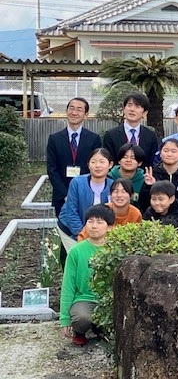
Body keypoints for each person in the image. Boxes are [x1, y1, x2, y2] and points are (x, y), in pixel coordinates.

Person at [60, 204, 115, 346]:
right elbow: (68, 285)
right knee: (82, 319)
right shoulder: (76, 251)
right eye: (90, 221)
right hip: (84, 299)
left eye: (99, 222)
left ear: (110, 227)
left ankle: (101, 329)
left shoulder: (115, 250)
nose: (94, 226)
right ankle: (80, 332)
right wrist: (64, 318)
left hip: (108, 300)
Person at [57, 148, 114, 267]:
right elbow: (71, 212)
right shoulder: (77, 183)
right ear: (88, 165)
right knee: (79, 262)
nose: (97, 166)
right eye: (93, 162)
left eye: (102, 162)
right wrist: (84, 234)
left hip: (98, 231)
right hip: (71, 229)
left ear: (110, 165)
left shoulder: (113, 185)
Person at [46, 97, 102, 216]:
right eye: (71, 108)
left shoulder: (94, 139)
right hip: (62, 197)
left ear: (85, 115)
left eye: (79, 109)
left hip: (87, 194)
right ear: (66, 111)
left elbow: (97, 167)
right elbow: (52, 169)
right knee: (64, 230)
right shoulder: (54, 139)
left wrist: (85, 192)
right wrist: (65, 194)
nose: (74, 112)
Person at [139, 138, 178, 215]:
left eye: (173, 151)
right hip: (155, 219)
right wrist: (149, 186)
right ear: (160, 154)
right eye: (166, 151)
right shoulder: (152, 174)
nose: (169, 154)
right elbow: (143, 203)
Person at [103, 92, 158, 168]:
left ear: (144, 113)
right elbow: (108, 161)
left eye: (137, 106)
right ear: (124, 109)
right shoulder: (111, 135)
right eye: (129, 105)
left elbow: (151, 162)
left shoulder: (150, 136)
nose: (132, 109)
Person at [77, 178, 142, 241]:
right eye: (115, 191)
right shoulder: (101, 210)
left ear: (131, 196)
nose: (119, 195)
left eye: (124, 192)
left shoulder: (135, 214)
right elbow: (82, 236)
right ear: (110, 195)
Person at [107, 143, 145, 210]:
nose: (128, 160)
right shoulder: (109, 178)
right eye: (125, 157)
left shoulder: (144, 180)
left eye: (133, 158)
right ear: (119, 160)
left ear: (140, 163)